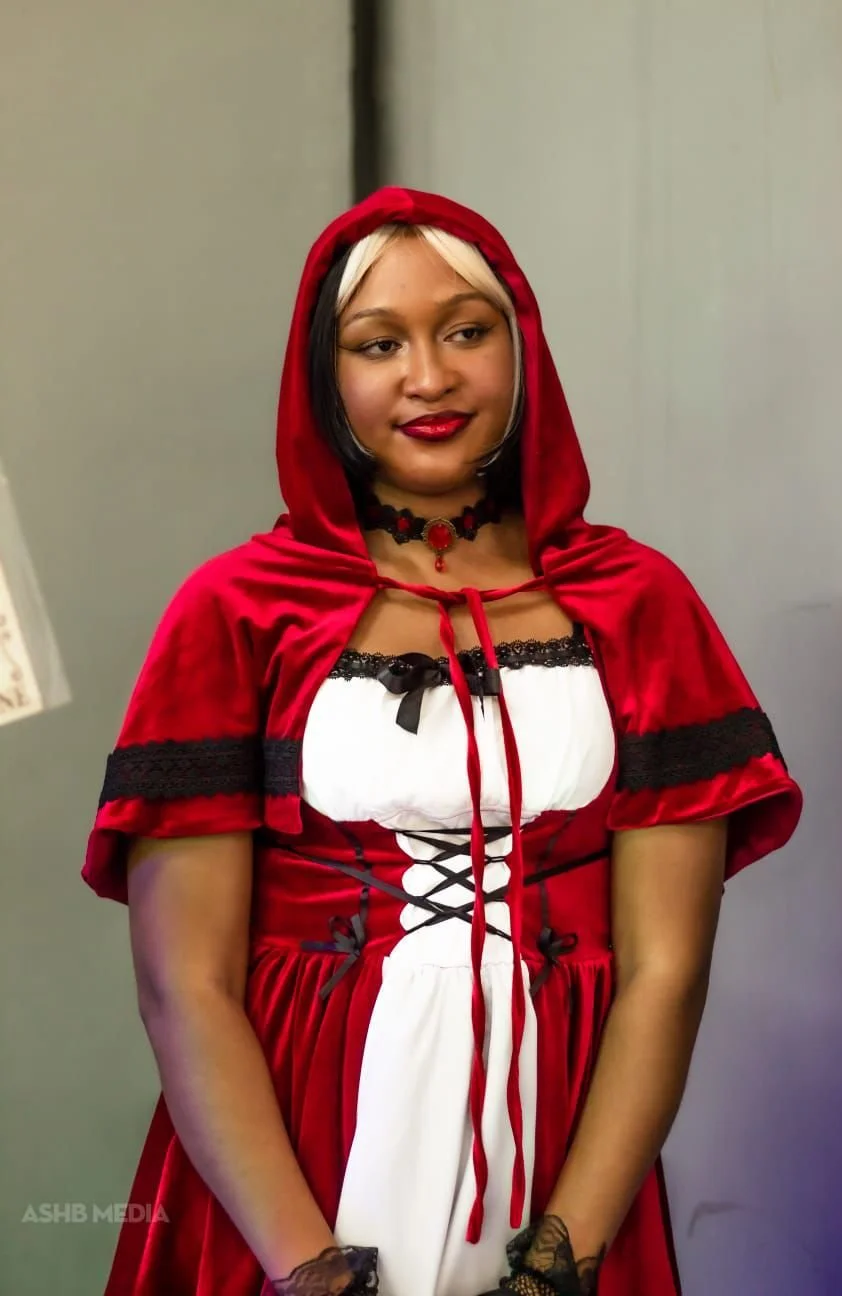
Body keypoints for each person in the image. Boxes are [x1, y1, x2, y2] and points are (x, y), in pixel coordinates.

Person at [83, 187, 802, 1296]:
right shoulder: (236, 612)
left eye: (466, 330)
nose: (429, 378)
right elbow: (187, 984)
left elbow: (667, 966)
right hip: (289, 1158)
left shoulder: (638, 605)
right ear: (325, 376)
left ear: (522, 349)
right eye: (378, 344)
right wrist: (305, 1266)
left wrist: (565, 1255)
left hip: (562, 1146)